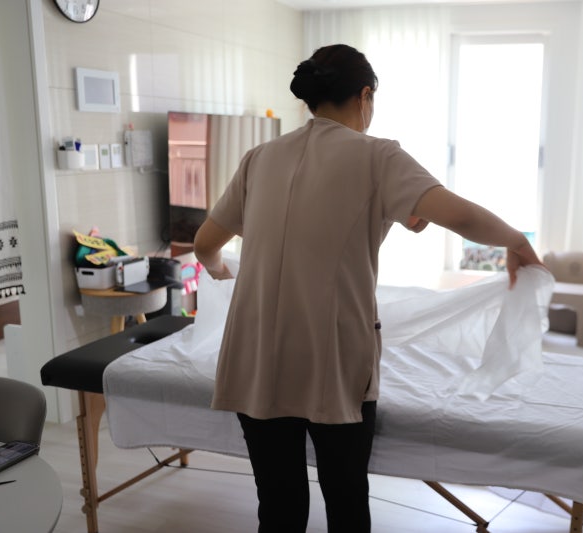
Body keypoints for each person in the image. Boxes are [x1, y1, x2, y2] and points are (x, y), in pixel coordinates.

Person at [193, 43, 544, 533]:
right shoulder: (378, 155)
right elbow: (459, 215)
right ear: (364, 96)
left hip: (253, 354)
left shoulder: (259, 157)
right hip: (332, 358)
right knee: (346, 504)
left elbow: (204, 245)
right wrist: (516, 241)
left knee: (278, 507)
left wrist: (223, 273)